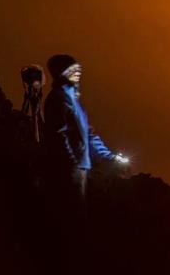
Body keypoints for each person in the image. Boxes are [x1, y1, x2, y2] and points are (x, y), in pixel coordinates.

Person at [42, 54, 128, 204]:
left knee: (77, 213)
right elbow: (58, 135)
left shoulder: (73, 101)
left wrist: (109, 157)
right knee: (69, 212)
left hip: (79, 168)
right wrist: (71, 163)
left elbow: (89, 134)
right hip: (67, 169)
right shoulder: (58, 99)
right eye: (72, 68)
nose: (78, 72)